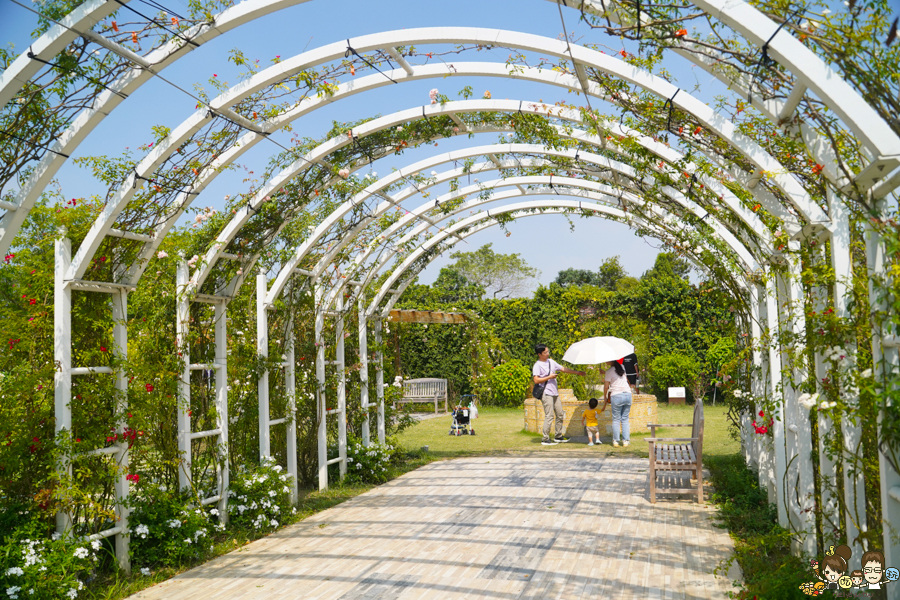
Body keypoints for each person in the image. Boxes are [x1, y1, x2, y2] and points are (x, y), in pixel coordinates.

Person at [533, 344, 585, 445]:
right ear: (539, 354)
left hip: (555, 393)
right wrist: (549, 377)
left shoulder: (551, 362)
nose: (548, 354)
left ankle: (558, 436)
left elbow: (563, 369)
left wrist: (577, 372)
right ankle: (545, 439)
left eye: (548, 351)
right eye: (545, 353)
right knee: (549, 415)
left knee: (560, 414)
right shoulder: (537, 365)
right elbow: (536, 380)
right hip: (546, 393)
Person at [604, 358, 632, 447]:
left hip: (617, 396)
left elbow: (606, 386)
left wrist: (605, 396)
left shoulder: (608, 371)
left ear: (610, 360)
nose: (605, 361)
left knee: (616, 419)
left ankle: (616, 441)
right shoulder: (622, 367)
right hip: (628, 395)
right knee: (625, 419)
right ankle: (626, 441)